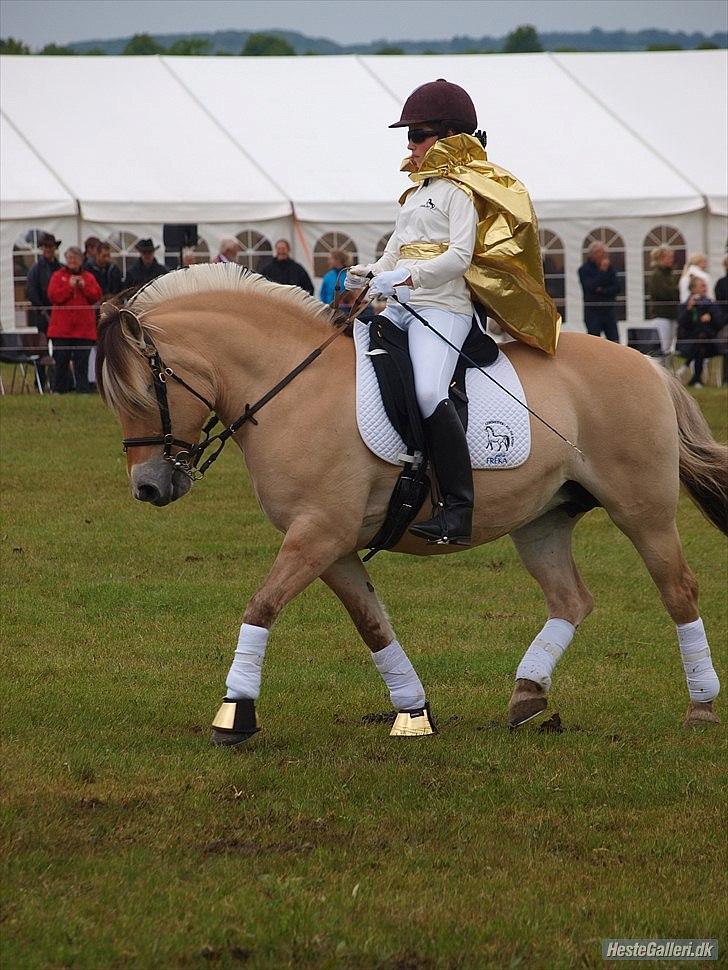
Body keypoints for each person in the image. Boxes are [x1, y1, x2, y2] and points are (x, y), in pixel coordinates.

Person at [345, 78, 559, 546]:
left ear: (447, 136)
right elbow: (395, 250)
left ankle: (458, 509)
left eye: (418, 134)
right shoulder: (415, 193)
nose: (410, 144)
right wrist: (370, 271)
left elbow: (459, 258)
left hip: (444, 310)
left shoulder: (459, 192)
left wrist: (405, 278)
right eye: (409, 135)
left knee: (427, 391)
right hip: (404, 305)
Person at [47, 246, 102, 393]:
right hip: (61, 331)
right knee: (61, 362)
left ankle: (83, 390)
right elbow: (54, 296)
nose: (72, 261)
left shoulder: (89, 277)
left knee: (82, 363)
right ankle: (59, 390)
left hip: (83, 331)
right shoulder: (58, 276)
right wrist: (69, 287)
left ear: (81, 260)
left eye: (75, 258)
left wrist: (84, 287)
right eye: (70, 258)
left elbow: (96, 296)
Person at [676, 277, 724, 388]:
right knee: (700, 341)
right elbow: (682, 324)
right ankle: (696, 379)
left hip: (710, 344)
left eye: (705, 285)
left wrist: (711, 317)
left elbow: (720, 323)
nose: (705, 288)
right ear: (693, 289)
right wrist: (689, 309)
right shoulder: (685, 305)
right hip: (688, 343)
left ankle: (690, 370)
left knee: (702, 339)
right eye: (702, 286)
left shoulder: (711, 304)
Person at [578, 242, 620, 342]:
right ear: (593, 254)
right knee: (594, 341)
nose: (604, 257)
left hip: (608, 310)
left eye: (605, 254)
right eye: (601, 254)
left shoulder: (610, 269)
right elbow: (590, 287)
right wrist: (602, 272)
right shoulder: (584, 270)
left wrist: (603, 290)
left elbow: (617, 287)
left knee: (614, 341)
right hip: (593, 311)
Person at [646, 245, 680, 358]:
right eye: (668, 257)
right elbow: (663, 293)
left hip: (672, 314)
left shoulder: (670, 275)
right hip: (661, 315)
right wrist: (675, 291)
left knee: (669, 346)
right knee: (662, 346)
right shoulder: (656, 275)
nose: (671, 260)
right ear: (660, 259)